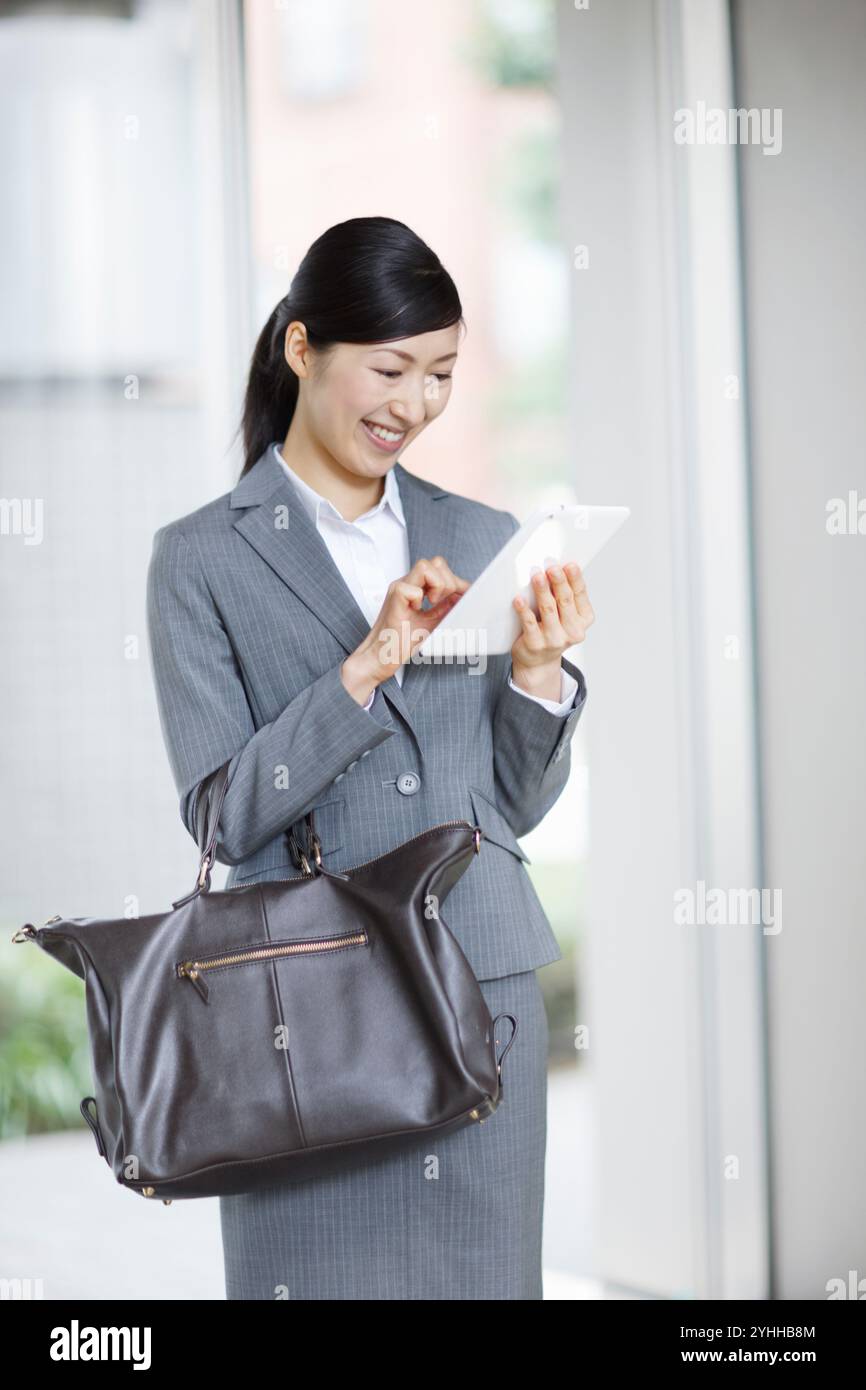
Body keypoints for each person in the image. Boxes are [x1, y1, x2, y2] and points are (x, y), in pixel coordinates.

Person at [145, 215, 593, 1300]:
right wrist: (368, 664)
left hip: (475, 990)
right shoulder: (199, 558)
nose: (415, 404)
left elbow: (513, 810)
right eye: (389, 368)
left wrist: (536, 672)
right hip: (305, 1010)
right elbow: (222, 815)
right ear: (301, 348)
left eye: (439, 373)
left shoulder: (482, 534)